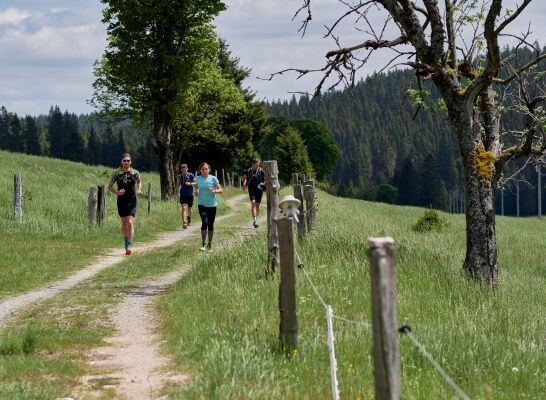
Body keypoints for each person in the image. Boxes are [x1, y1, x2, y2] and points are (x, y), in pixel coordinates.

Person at [108, 153, 142, 255]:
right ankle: (126, 239)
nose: (126, 162)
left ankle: (129, 245)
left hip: (132, 200)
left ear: (131, 162)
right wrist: (117, 192)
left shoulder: (135, 173)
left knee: (130, 223)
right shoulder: (117, 174)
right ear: (121, 162)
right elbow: (109, 187)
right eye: (124, 161)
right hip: (121, 201)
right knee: (124, 224)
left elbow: (139, 182)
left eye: (128, 161)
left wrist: (139, 190)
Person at [195, 162, 223, 252]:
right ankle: (203, 243)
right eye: (203, 169)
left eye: (206, 169)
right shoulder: (198, 179)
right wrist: (196, 193)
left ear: (209, 170)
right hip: (201, 204)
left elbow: (221, 190)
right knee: (205, 222)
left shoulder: (213, 178)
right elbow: (196, 190)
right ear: (200, 170)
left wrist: (214, 191)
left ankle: (210, 244)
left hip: (212, 205)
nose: (204, 170)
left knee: (210, 225)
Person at [242, 158, 265, 228]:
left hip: (259, 189)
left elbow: (265, 180)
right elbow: (244, 178)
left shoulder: (261, 171)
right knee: (253, 203)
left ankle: (256, 218)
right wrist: (244, 184)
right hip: (251, 189)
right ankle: (255, 220)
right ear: (253, 164)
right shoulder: (248, 171)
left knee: (257, 205)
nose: (258, 166)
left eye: (258, 164)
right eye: (256, 165)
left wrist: (263, 184)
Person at [176, 163, 196, 229]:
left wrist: (190, 183)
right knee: (184, 208)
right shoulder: (179, 176)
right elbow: (178, 185)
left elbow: (196, 183)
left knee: (189, 209)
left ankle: (189, 219)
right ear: (181, 170)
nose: (183, 170)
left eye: (185, 169)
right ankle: (184, 222)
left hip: (190, 194)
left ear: (187, 169)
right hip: (183, 194)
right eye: (182, 169)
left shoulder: (191, 175)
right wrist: (177, 190)